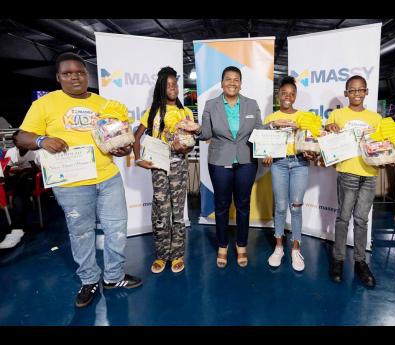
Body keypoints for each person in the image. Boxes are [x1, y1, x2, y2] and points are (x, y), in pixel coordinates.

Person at [15, 52, 142, 308]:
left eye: (80, 72)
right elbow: (20, 137)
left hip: (108, 177)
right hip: (72, 183)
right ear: (58, 77)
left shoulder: (105, 104)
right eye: (68, 73)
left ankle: (114, 277)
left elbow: (124, 142)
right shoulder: (45, 104)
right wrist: (42, 140)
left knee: (117, 230)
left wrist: (123, 149)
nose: (75, 77)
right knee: (81, 233)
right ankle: (90, 280)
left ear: (87, 75)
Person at [133, 66, 198, 274]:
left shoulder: (185, 112)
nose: (173, 88)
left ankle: (177, 254)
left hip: (179, 164)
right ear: (161, 87)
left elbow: (191, 141)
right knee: (162, 211)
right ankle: (162, 254)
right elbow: (137, 137)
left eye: (175, 84)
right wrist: (137, 159)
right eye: (169, 84)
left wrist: (186, 146)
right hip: (158, 166)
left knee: (178, 211)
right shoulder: (152, 112)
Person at [197, 66, 263, 268]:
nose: (232, 83)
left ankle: (241, 246)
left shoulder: (252, 105)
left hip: (246, 161)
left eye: (236, 79)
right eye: (228, 79)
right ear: (221, 82)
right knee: (222, 205)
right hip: (219, 161)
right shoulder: (210, 105)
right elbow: (206, 134)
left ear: (241, 83)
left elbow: (259, 131)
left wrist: (269, 146)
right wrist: (195, 129)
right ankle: (223, 246)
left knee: (243, 205)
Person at [325, 75, 381, 288]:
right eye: (352, 90)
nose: (356, 93)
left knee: (361, 220)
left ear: (366, 92)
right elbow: (327, 137)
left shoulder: (375, 118)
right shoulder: (337, 114)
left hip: (369, 173)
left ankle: (360, 261)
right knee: (343, 217)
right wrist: (330, 129)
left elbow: (380, 145)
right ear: (346, 93)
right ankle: (338, 259)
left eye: (360, 90)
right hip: (347, 171)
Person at [262, 76, 320, 272]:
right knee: (279, 207)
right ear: (278, 95)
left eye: (291, 94)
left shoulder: (304, 117)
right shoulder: (271, 118)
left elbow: (314, 140)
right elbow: (263, 144)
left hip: (299, 164)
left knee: (295, 207)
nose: (287, 97)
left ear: (295, 96)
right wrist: (266, 154)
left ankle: (296, 248)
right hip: (278, 164)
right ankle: (279, 247)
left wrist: (310, 145)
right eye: (284, 93)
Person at [2, 131, 40, 234]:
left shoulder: (34, 151)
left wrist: (24, 172)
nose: (17, 143)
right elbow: (6, 169)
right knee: (16, 188)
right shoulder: (11, 151)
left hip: (33, 179)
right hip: (16, 178)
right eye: (15, 141)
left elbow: (37, 169)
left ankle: (18, 225)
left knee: (20, 190)